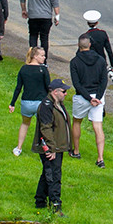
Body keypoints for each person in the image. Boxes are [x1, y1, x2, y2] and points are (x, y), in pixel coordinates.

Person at [33, 79, 73, 215]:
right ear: (55, 92)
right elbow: (46, 127)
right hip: (51, 147)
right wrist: (51, 148)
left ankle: (40, 201)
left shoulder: (58, 104)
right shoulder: (47, 105)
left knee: (47, 173)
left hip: (58, 146)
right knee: (54, 175)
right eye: (64, 91)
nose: (66, 94)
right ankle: (55, 205)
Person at [68, 36, 109, 167]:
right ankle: (100, 158)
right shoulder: (101, 60)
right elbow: (104, 81)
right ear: (90, 45)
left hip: (82, 97)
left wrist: (89, 98)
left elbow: (77, 84)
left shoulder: (74, 62)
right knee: (98, 127)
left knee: (77, 121)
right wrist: (97, 97)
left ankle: (76, 151)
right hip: (98, 97)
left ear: (78, 45)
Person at [9, 47, 49, 156]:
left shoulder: (24, 69)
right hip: (40, 103)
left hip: (26, 102)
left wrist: (12, 103)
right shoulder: (43, 70)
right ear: (35, 56)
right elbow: (48, 87)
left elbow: (18, 88)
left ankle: (19, 147)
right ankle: (44, 149)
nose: (44, 58)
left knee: (25, 123)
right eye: (42, 55)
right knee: (43, 126)